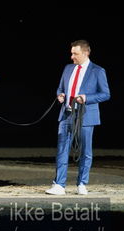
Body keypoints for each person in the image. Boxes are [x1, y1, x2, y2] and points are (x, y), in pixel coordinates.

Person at [46, 40, 110, 195]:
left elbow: (105, 94)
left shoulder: (97, 71)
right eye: (72, 52)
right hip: (66, 114)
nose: (72, 56)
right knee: (62, 149)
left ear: (86, 53)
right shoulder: (68, 68)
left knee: (85, 150)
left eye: (75, 53)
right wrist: (60, 95)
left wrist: (86, 98)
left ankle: (82, 183)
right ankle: (59, 185)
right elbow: (60, 88)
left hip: (85, 116)